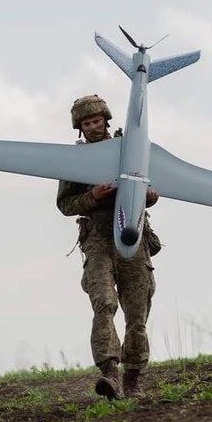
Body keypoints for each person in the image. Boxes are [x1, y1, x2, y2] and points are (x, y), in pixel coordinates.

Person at [56, 94, 162, 400]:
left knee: (137, 311)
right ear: (80, 127)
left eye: (97, 121)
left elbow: (152, 185)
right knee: (103, 302)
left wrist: (150, 197)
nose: (93, 127)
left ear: (106, 120)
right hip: (97, 239)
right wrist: (93, 197)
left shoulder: (129, 151)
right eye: (87, 123)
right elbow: (65, 204)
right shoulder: (75, 161)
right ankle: (109, 374)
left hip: (131, 234)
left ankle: (133, 380)